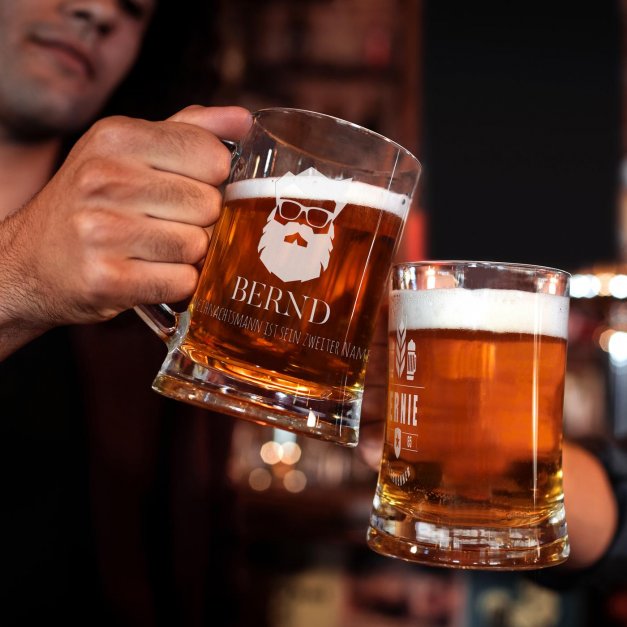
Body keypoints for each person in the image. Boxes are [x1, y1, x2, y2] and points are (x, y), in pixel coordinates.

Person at [0, 1, 251, 624]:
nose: (97, 12)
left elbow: (192, 558)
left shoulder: (159, 294)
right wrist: (19, 272)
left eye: (135, 8)